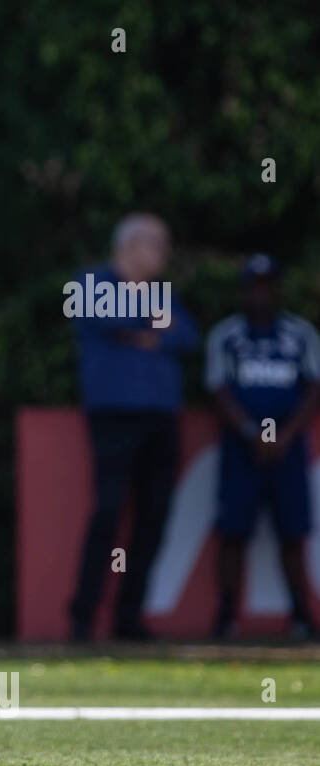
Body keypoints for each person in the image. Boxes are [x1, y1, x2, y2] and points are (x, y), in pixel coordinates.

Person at [68, 213, 200, 641]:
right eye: (158, 244)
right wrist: (152, 326)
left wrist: (149, 332)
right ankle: (83, 617)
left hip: (161, 417)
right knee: (108, 511)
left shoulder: (162, 294)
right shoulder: (92, 282)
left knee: (153, 516)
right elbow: (112, 320)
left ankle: (130, 616)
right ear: (131, 245)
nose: (164, 254)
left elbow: (186, 337)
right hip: (114, 417)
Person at [206, 255, 320, 640]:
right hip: (242, 448)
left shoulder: (300, 334)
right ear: (242, 290)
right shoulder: (227, 335)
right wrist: (252, 433)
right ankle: (225, 618)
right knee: (233, 530)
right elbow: (219, 390)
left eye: (267, 285)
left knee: (293, 531)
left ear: (278, 289)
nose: (260, 293)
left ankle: (302, 616)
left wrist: (283, 436)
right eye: (253, 285)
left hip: (288, 448)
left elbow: (313, 388)